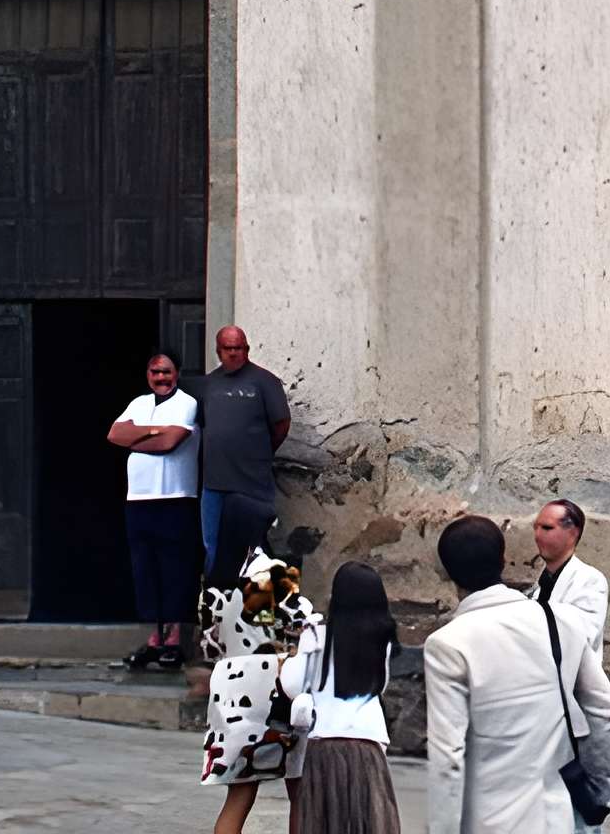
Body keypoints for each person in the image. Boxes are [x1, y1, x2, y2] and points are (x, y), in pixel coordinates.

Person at [425, 515, 610, 834]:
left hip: (489, 821)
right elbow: (605, 714)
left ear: (446, 572)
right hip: (560, 817)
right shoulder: (562, 621)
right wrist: (596, 796)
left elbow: (448, 758)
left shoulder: (447, 645)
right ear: (502, 559)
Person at [200, 546, 321, 834]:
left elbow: (209, 646)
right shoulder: (270, 572)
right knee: (299, 792)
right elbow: (302, 622)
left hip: (231, 690)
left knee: (239, 795)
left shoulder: (214, 584)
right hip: (275, 690)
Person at [290, 561, 403, 834]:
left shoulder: (316, 636)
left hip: (324, 739)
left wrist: (299, 653)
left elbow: (293, 686)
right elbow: (380, 686)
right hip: (368, 741)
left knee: (323, 823)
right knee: (367, 821)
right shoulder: (381, 641)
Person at [109, 350, 202, 670]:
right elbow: (114, 434)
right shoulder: (138, 403)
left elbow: (170, 443)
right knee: (145, 570)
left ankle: (175, 640)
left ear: (177, 372)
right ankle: (153, 639)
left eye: (166, 372)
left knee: (174, 568)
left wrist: (138, 437)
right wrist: (152, 432)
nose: (160, 378)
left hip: (175, 498)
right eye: (154, 372)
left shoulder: (187, 403)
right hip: (138, 500)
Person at [195, 325, 290, 585]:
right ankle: (215, 609)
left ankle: (250, 616)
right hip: (214, 484)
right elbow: (204, 425)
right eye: (228, 348)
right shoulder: (208, 383)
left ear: (247, 349)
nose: (234, 353)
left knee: (252, 550)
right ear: (218, 351)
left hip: (252, 483)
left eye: (239, 348)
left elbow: (281, 424)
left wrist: (261, 454)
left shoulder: (265, 381)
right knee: (212, 546)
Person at [529, 501, 606, 669]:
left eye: (547, 528)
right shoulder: (540, 584)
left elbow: (582, 638)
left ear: (572, 533)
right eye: (536, 527)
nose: (537, 535)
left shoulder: (590, 580)